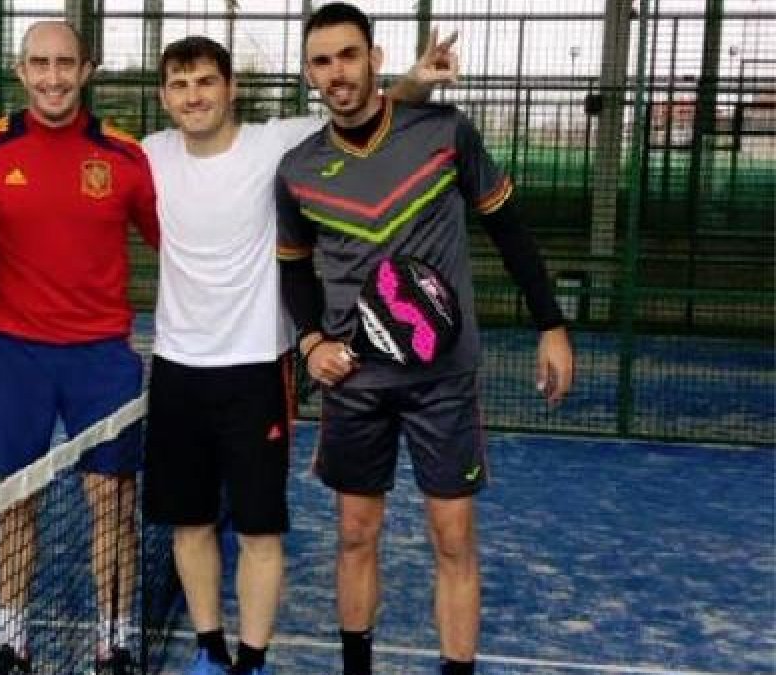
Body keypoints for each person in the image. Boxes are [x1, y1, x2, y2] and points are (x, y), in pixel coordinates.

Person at [140, 31, 457, 675]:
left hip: (259, 368)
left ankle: (252, 658)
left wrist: (420, 82)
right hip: (176, 370)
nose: (194, 96)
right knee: (190, 523)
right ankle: (208, 648)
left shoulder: (276, 144)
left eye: (206, 82)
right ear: (164, 98)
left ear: (230, 89)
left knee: (260, 529)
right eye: (180, 85)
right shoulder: (149, 156)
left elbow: (364, 108)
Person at [274, 4, 574, 675]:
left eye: (348, 56)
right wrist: (311, 341)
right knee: (355, 534)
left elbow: (509, 231)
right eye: (322, 62)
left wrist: (551, 324)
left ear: (374, 59)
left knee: (453, 537)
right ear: (309, 74)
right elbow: (293, 269)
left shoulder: (445, 132)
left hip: (443, 379)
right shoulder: (297, 169)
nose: (337, 73)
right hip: (355, 382)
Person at [0, 20, 160, 675]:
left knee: (113, 503)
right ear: (20, 71)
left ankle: (114, 640)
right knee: (16, 501)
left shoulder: (127, 157)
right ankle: (12, 641)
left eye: (65, 63)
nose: (52, 76)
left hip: (101, 356)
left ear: (87, 69)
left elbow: (177, 245)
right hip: (13, 354)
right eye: (39, 63)